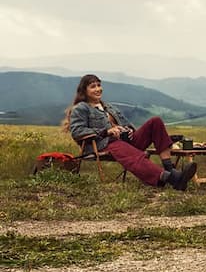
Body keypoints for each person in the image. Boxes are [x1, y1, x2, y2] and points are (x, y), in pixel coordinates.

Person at [63, 74, 197, 190]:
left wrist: (130, 130)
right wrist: (106, 131)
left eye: (99, 85)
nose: (98, 89)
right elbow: (77, 131)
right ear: (84, 91)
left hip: (125, 140)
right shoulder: (81, 108)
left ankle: (169, 169)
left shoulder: (108, 107)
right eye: (93, 86)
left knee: (155, 121)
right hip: (103, 143)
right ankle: (172, 178)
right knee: (127, 151)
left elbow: (128, 124)